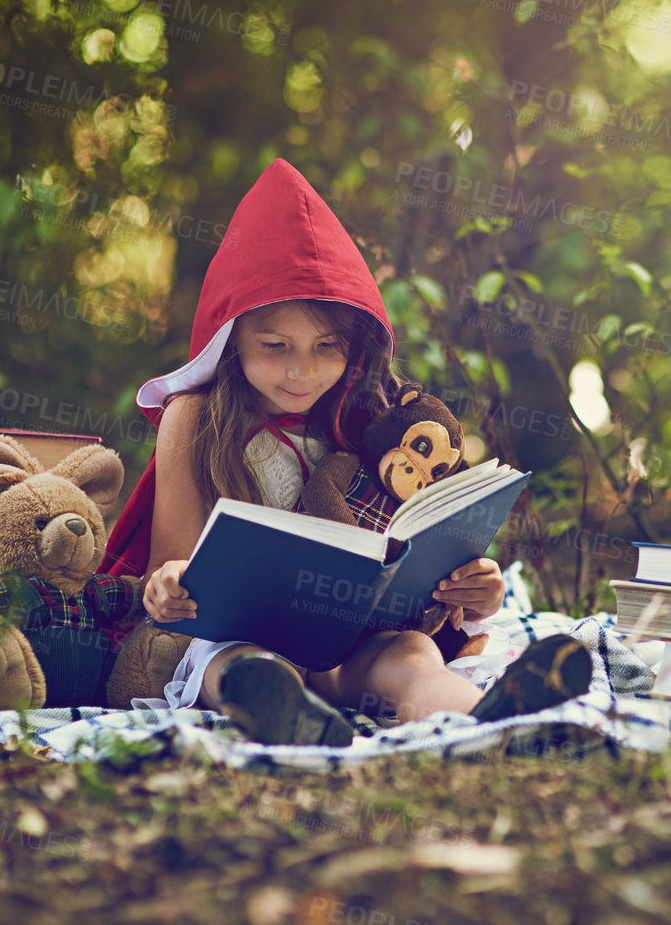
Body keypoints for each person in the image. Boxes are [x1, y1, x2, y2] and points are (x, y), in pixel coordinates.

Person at [101, 159, 591, 746]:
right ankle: (287, 717)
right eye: (275, 345)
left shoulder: (371, 422)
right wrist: (169, 587)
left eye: (326, 347)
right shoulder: (197, 417)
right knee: (239, 666)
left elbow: (419, 545)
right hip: (238, 637)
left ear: (353, 346)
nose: (302, 371)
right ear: (230, 340)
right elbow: (168, 568)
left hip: (356, 644)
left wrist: (474, 587)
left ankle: (493, 721)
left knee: (413, 656)